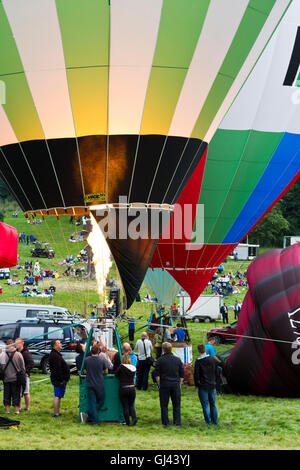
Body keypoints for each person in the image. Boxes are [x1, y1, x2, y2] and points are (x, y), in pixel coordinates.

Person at [153, 342, 185, 427]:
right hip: (175, 384)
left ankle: (165, 422)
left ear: (163, 350)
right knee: (176, 405)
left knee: (164, 405)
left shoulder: (160, 360)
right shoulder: (177, 360)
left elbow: (156, 374)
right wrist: (180, 384)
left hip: (164, 384)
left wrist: (159, 384)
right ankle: (177, 422)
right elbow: (182, 374)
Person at [81, 345, 108, 426]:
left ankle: (88, 414)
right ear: (99, 352)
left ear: (91, 352)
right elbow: (106, 371)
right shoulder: (102, 359)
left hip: (89, 383)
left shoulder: (86, 360)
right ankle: (93, 419)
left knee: (92, 402)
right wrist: (100, 372)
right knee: (101, 401)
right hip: (99, 384)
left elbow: (85, 372)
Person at [194, 344, 218, 426]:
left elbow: (196, 375)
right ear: (205, 349)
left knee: (205, 404)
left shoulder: (198, 362)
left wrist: (197, 384)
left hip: (203, 386)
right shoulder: (212, 359)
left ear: (198, 351)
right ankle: (215, 421)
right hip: (212, 384)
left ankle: (209, 422)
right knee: (213, 403)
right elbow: (216, 371)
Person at [0, 339, 25, 415]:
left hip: (6, 378)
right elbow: (22, 367)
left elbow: (1, 367)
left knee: (6, 394)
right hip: (16, 378)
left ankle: (7, 411)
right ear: (13, 345)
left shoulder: (2, 355)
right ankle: (16, 411)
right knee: (16, 394)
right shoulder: (18, 354)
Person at [48, 339, 70, 417]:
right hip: (58, 380)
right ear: (55, 346)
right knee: (57, 395)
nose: (61, 344)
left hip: (59, 379)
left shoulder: (56, 354)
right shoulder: (54, 355)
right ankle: (56, 413)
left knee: (59, 396)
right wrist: (61, 380)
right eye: (59, 343)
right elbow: (57, 369)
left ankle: (57, 412)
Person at [115, 351, 137, 426]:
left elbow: (116, 374)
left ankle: (127, 422)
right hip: (132, 388)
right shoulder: (133, 368)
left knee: (125, 406)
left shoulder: (121, 367)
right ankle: (134, 419)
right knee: (131, 405)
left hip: (123, 388)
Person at [15, 338, 34, 411]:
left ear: (22, 343)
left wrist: (25, 372)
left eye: (17, 343)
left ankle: (27, 407)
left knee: (26, 392)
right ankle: (19, 407)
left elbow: (31, 363)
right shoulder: (16, 352)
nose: (16, 345)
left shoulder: (26, 353)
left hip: (25, 376)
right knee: (18, 392)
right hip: (17, 375)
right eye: (15, 343)